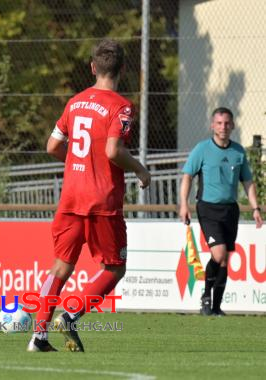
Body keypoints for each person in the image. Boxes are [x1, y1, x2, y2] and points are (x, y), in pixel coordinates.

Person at [27, 39, 151, 352]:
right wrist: (139, 169)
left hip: (70, 198)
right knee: (114, 268)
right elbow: (113, 150)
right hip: (102, 202)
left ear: (93, 67)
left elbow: (52, 146)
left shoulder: (75, 102)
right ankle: (70, 315)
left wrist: (78, 163)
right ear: (123, 69)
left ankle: (38, 337)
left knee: (60, 267)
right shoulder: (121, 106)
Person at [179, 107, 263, 317]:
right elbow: (188, 176)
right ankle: (206, 297)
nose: (223, 127)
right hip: (208, 208)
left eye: (227, 123)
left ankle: (215, 307)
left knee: (224, 259)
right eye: (219, 123)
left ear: (232, 125)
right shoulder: (202, 149)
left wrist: (255, 208)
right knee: (218, 253)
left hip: (230, 210)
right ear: (212, 126)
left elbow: (248, 182)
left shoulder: (238, 152)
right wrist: (183, 204)